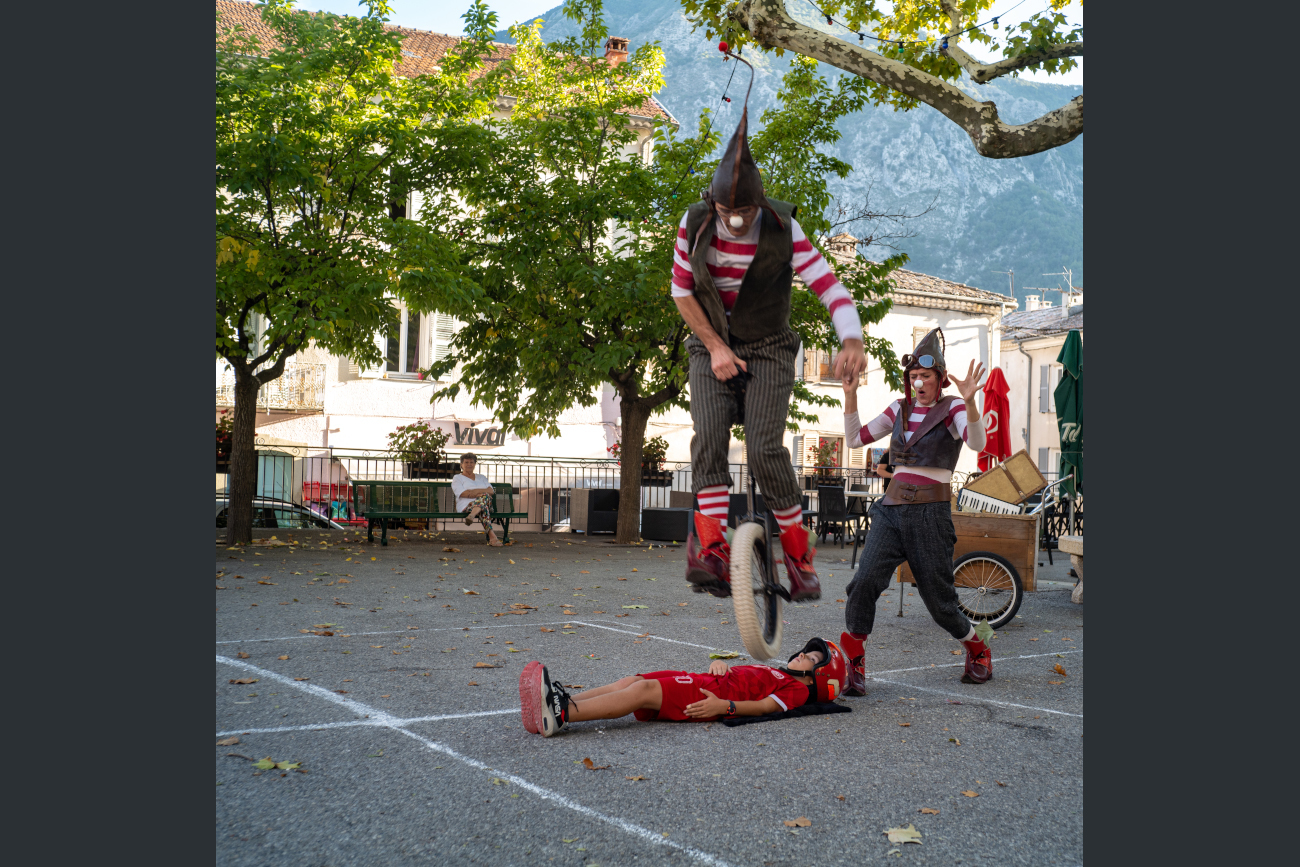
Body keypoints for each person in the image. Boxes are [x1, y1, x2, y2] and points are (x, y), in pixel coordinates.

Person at [673, 49, 867, 604]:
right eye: (727, 215)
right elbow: (682, 294)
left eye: (746, 215)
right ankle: (708, 547)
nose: (736, 225)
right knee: (708, 439)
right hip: (710, 345)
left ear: (759, 203)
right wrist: (713, 347)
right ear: (712, 203)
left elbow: (830, 287)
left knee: (764, 449)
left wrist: (850, 337)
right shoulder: (693, 222)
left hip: (771, 347)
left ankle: (799, 556)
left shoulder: (784, 226)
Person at [837, 328, 994, 692]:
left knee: (939, 602)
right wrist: (850, 395)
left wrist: (971, 402)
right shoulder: (899, 407)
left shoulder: (953, 406)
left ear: (940, 378)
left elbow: (977, 442)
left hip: (930, 513)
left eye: (926, 376)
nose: (919, 382)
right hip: (891, 508)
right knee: (863, 583)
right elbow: (855, 438)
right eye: (913, 377)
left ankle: (978, 646)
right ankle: (855, 664)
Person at [519, 638, 850, 737]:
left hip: (708, 696)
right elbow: (747, 679)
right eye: (806, 651)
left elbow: (764, 707)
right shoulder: (779, 672)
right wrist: (722, 666)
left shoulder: (798, 691)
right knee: (634, 681)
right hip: (706, 680)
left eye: (812, 659)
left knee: (642, 693)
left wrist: (725, 708)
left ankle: (560, 715)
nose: (803, 654)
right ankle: (563, 701)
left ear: (818, 678)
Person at [450, 453, 503, 547]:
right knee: (483, 505)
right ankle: (493, 538)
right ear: (461, 465)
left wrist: (475, 492)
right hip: (466, 505)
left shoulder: (481, 477)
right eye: (466, 462)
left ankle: (472, 515)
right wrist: (482, 493)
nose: (469, 464)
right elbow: (462, 493)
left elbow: (491, 491)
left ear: (475, 464)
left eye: (471, 462)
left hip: (482, 504)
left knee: (485, 497)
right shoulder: (457, 478)